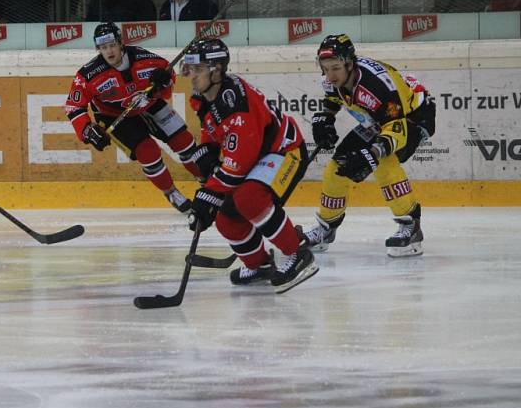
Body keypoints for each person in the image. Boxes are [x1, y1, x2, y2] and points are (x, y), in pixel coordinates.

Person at [182, 38, 318, 294]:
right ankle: (259, 264)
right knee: (226, 219)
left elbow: (237, 167)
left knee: (248, 198)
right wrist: (209, 151)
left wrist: (207, 195)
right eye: (191, 69)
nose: (192, 76)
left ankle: (297, 255)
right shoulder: (206, 96)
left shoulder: (237, 105)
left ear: (217, 70)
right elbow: (213, 129)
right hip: (258, 158)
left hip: (285, 151)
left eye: (198, 69)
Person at [302, 34, 436, 257]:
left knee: (383, 162)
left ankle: (411, 227)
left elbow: (397, 127)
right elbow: (334, 97)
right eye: (325, 68)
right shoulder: (333, 78)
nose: (330, 74)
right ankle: (326, 228)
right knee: (337, 167)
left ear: (349, 63)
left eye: (335, 67)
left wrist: (372, 153)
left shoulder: (376, 86)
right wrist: (325, 117)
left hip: (414, 117)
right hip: (378, 119)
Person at [64, 22, 202, 213]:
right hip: (114, 116)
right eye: (104, 48)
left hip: (148, 104)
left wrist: (163, 84)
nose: (109, 51)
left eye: (112, 45)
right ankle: (171, 193)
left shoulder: (144, 59)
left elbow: (168, 76)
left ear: (121, 43)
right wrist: (87, 131)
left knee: (184, 142)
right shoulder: (88, 76)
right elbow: (74, 106)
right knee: (149, 152)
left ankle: (208, 182)